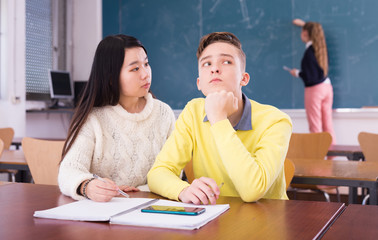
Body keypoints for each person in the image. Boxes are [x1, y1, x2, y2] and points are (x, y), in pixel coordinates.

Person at [147, 32, 292, 204]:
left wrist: (218, 119)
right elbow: (157, 173)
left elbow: (252, 191)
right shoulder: (193, 111)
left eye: (226, 62)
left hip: (266, 220)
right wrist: (183, 189)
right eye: (207, 63)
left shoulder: (276, 121)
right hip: (215, 219)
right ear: (199, 83)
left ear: (243, 79)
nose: (214, 68)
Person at [58, 34, 176, 202]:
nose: (145, 74)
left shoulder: (164, 114)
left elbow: (174, 171)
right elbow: (69, 171)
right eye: (135, 68)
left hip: (151, 208)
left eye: (146, 64)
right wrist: (88, 186)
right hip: (105, 213)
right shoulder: (93, 118)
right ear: (111, 77)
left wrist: (141, 190)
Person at [288, 19, 336, 145]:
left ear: (305, 33)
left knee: (315, 127)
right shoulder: (321, 49)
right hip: (327, 88)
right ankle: (331, 158)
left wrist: (297, 73)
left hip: (314, 91)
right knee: (328, 126)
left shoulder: (309, 53)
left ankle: (319, 160)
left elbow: (310, 77)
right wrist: (304, 25)